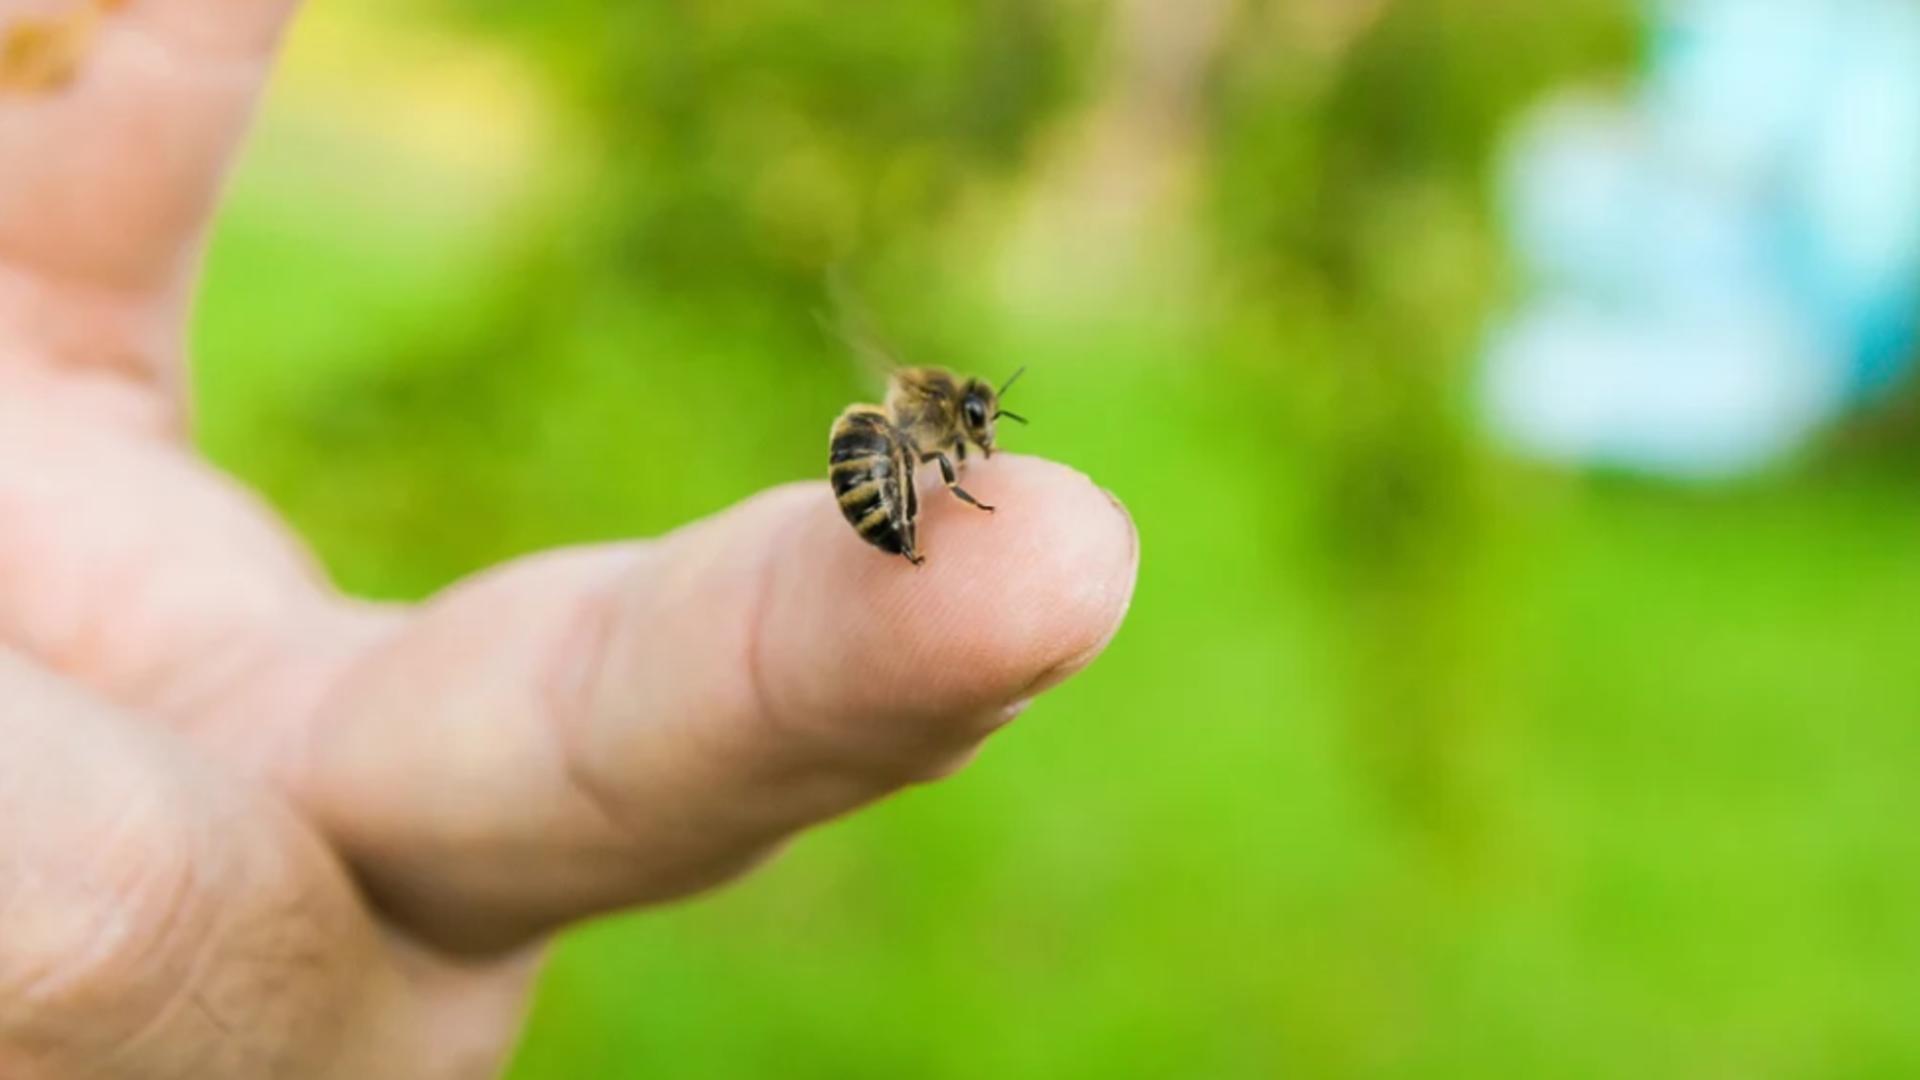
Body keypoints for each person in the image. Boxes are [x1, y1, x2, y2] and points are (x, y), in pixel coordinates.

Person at [0, 2, 1139, 1075]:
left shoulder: (931, 428)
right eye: (976, 423)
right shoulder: (920, 424)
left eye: (976, 426)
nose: (981, 433)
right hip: (874, 471)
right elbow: (912, 447)